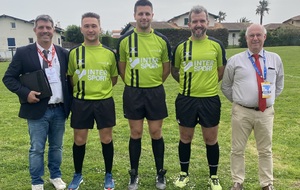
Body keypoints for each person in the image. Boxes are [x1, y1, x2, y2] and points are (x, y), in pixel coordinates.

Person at [2, 14, 71, 190]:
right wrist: (25, 94)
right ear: (35, 30)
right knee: (37, 148)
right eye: (41, 27)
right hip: (37, 110)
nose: (45, 31)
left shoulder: (63, 53)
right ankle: (37, 181)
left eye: (48, 27)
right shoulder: (23, 52)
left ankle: (55, 176)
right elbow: (9, 78)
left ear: (53, 30)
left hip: (59, 109)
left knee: (57, 147)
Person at [221, 23, 284, 190]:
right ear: (246, 38)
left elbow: (279, 84)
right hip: (241, 112)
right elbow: (226, 86)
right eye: (251, 36)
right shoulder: (235, 60)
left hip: (265, 113)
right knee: (237, 149)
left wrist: (267, 101)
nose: (255, 38)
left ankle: (267, 183)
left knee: (265, 150)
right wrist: (239, 102)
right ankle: (237, 182)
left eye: (258, 35)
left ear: (264, 37)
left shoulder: (275, 59)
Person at [117, 0, 171, 189]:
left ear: (152, 15)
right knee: (136, 132)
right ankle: (134, 174)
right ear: (134, 16)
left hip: (155, 91)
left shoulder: (162, 40)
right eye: (140, 14)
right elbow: (122, 69)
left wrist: (153, 83)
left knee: (156, 132)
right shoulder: (125, 40)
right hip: (133, 92)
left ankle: (160, 173)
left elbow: (166, 69)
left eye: (147, 14)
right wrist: (135, 84)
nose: (144, 17)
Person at [171, 5, 226, 190]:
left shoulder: (216, 46)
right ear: (189, 24)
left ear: (208, 23)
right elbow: (174, 70)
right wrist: (189, 84)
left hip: (210, 99)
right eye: (195, 21)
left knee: (211, 139)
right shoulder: (181, 47)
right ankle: (184, 173)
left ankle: (214, 177)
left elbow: (220, 71)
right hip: (186, 99)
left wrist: (206, 85)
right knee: (185, 138)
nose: (198, 24)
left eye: (202, 21)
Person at [67, 12, 118, 190]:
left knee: (106, 139)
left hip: (104, 101)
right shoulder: (74, 53)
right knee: (79, 140)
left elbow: (113, 78)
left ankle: (109, 175)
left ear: (100, 28)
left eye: (93, 26)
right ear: (81, 28)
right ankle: (77, 175)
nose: (90, 29)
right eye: (87, 26)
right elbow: (71, 78)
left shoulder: (109, 53)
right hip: (81, 102)